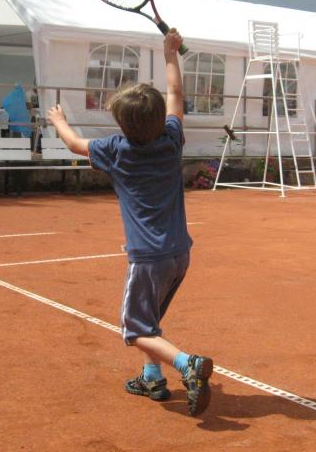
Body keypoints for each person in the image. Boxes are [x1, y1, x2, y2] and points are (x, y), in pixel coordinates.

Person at [46, 28, 213, 416]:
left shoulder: (115, 150)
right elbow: (176, 93)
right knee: (151, 319)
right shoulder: (172, 139)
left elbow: (74, 144)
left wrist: (58, 119)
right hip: (179, 254)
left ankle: (188, 364)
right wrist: (170, 53)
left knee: (135, 329)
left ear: (123, 124)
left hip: (149, 258)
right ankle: (152, 377)